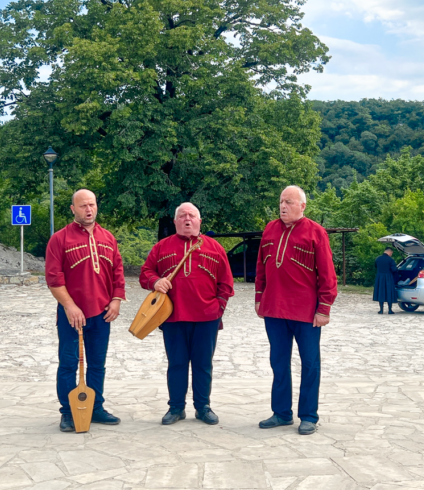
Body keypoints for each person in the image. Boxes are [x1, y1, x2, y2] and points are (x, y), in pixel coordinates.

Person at [139, 202, 234, 426]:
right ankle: (176, 408)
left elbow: (227, 284)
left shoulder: (215, 247)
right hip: (172, 317)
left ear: (200, 221)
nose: (187, 219)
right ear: (175, 222)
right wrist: (156, 281)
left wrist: (218, 309)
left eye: (192, 216)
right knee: (177, 363)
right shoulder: (162, 247)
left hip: (207, 318)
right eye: (182, 216)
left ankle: (203, 407)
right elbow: (145, 273)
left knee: (203, 364)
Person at [254, 185, 338, 435]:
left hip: (306, 313)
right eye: (281, 201)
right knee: (278, 362)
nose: (283, 206)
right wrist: (260, 297)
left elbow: (327, 274)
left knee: (310, 364)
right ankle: (281, 413)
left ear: (302, 206)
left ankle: (309, 415)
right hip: (274, 310)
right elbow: (261, 267)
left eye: (289, 202)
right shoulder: (269, 229)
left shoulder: (316, 232)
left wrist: (324, 308)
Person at [45, 189, 126, 432]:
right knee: (69, 363)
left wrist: (116, 300)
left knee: (97, 364)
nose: (88, 210)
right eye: (82, 206)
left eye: (91, 205)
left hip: (102, 314)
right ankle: (68, 412)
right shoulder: (59, 239)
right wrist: (69, 306)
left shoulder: (108, 237)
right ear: (73, 209)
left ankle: (96, 407)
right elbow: (53, 278)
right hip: (72, 315)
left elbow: (118, 272)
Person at [373, 247, 398, 314]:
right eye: (391, 253)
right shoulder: (390, 260)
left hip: (379, 277)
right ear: (389, 252)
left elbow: (375, 266)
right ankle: (390, 310)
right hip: (388, 277)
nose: (391, 254)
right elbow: (394, 270)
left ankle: (381, 310)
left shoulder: (378, 258)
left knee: (381, 292)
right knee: (389, 293)